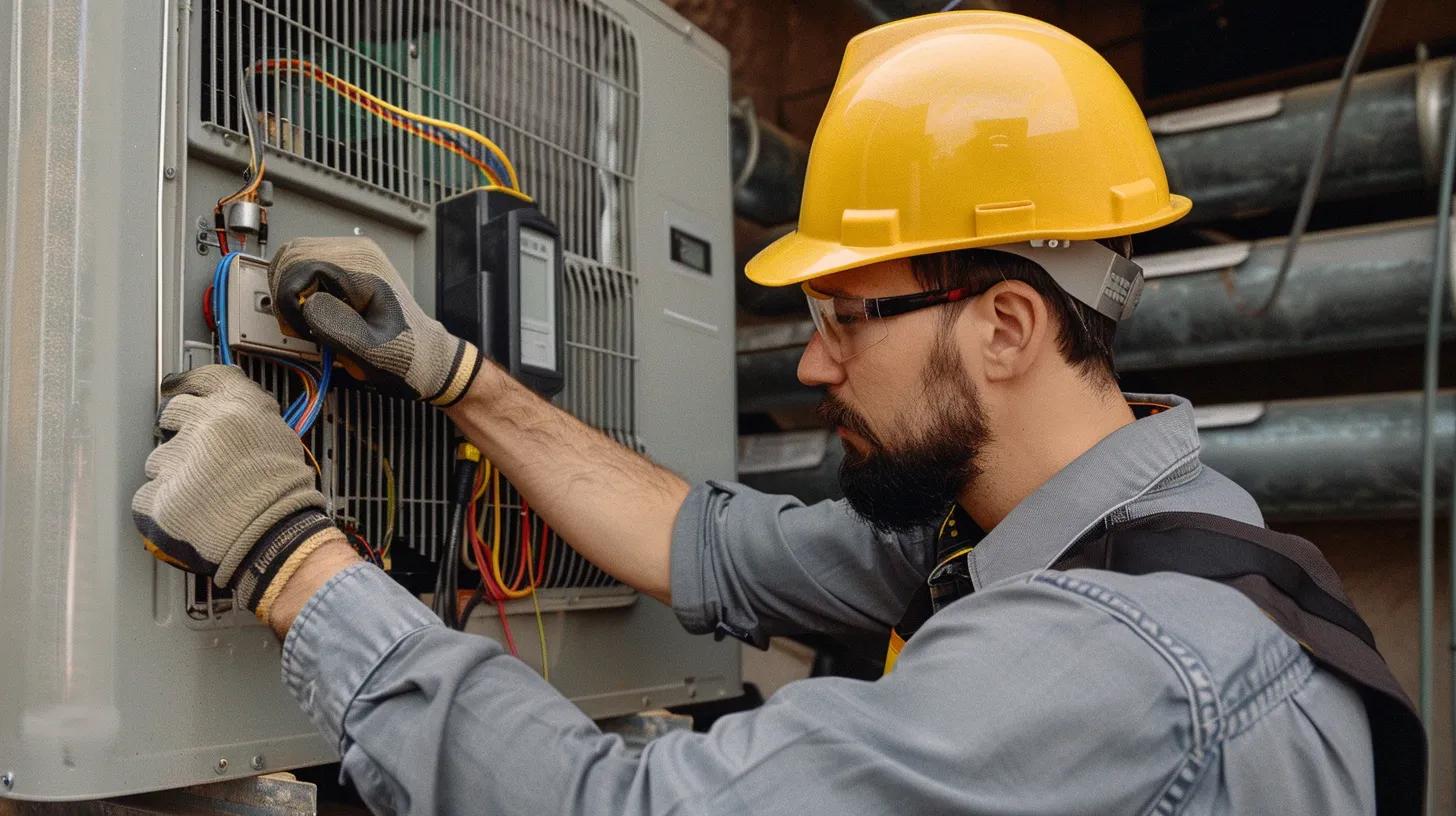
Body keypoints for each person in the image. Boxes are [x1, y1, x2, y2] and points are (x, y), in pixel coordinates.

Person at [133, 11, 1412, 815]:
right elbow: (705, 541)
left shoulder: (1109, 659)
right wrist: (453, 374)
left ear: (1006, 327)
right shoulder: (1043, 527)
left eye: (846, 316)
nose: (811, 367)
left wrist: (294, 561)